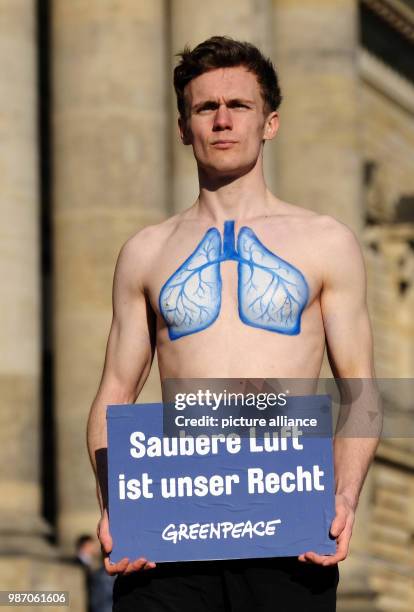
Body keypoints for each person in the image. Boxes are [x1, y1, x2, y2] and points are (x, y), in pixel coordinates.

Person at [87, 36, 379, 611]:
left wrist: (343, 497)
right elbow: (113, 395)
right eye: (205, 108)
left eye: (238, 106)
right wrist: (115, 504)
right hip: (170, 530)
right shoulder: (146, 252)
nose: (222, 121)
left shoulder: (324, 241)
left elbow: (363, 390)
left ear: (269, 123)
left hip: (289, 529)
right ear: (182, 127)